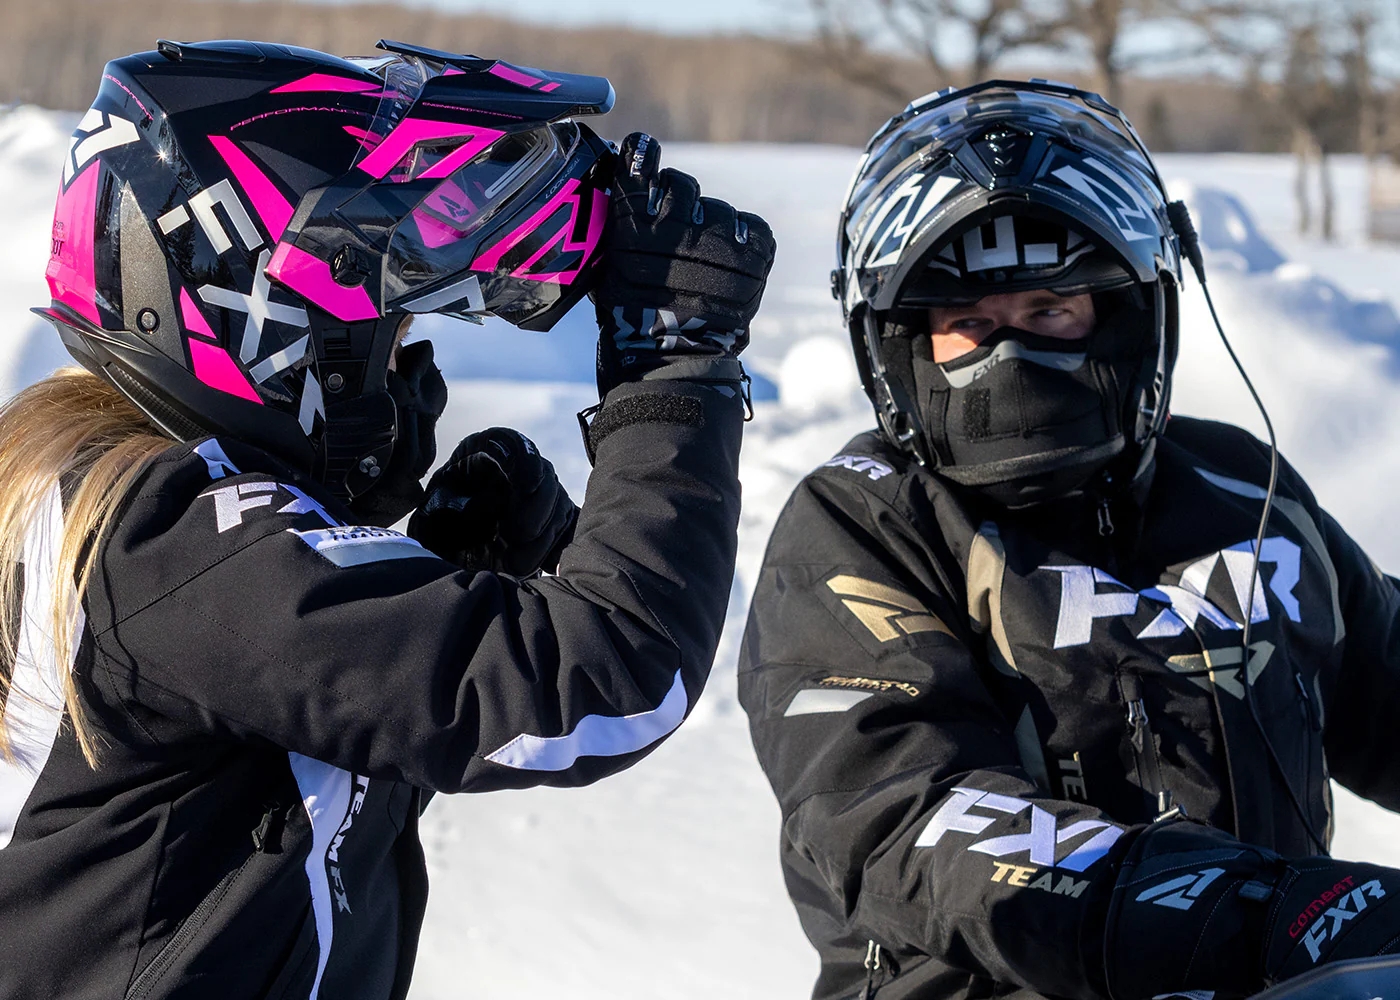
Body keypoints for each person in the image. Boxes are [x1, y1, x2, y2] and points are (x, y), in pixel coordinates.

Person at [0, 39, 774, 999]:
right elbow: (602, 684)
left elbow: (266, 781)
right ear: (250, 307)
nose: (409, 375)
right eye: (384, 334)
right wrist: (673, 371)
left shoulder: (107, 494)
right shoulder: (168, 539)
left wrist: (430, 574)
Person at [738, 79, 1400, 1000]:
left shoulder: (1242, 488)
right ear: (903, 346)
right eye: (970, 326)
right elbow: (898, 818)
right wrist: (1262, 914)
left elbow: (1389, 681)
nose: (1011, 357)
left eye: (1050, 312)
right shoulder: (866, 525)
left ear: (1127, 313)